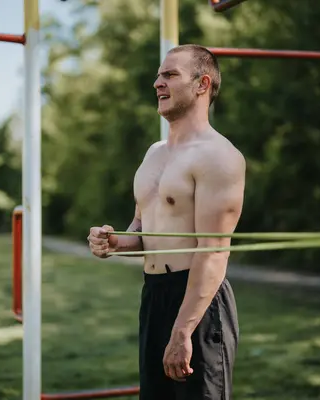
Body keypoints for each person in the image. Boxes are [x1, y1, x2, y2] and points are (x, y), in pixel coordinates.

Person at [87, 44, 246, 400]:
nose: (157, 83)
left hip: (198, 304)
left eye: (170, 75)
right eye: (159, 75)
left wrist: (182, 332)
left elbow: (214, 253)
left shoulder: (219, 156)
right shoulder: (154, 154)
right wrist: (113, 242)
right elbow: (142, 232)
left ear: (202, 84)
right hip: (154, 295)